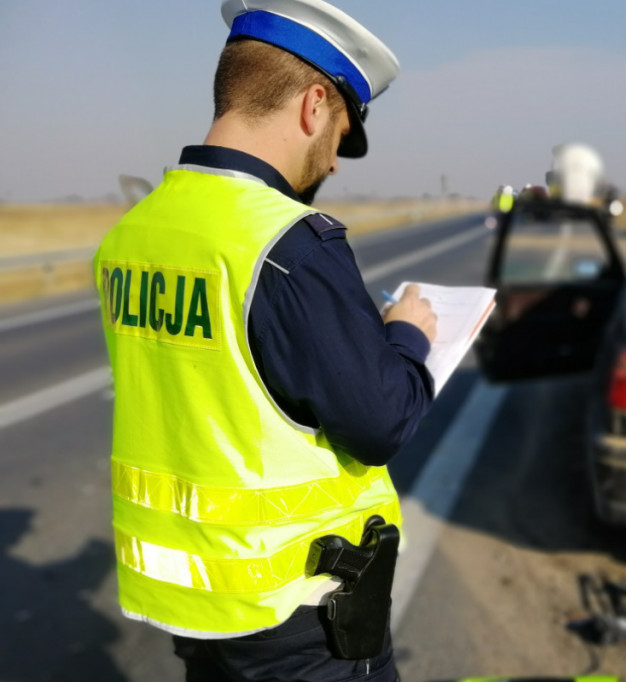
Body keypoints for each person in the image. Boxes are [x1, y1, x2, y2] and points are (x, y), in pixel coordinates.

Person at [93, 1, 436, 680]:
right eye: (340, 135)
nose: (333, 163)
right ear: (313, 105)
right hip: (296, 615)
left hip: (195, 607)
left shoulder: (132, 234)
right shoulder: (290, 246)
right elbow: (380, 422)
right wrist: (408, 338)